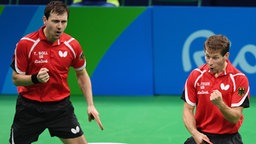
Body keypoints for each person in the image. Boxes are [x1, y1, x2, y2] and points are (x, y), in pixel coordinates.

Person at [9, 1, 102, 143]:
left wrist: (90, 105)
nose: (60, 26)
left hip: (60, 108)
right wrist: (35, 78)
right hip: (30, 108)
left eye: (63, 22)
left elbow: (81, 74)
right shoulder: (26, 44)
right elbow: (16, 78)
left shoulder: (72, 45)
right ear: (45, 20)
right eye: (55, 21)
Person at [181, 34, 250, 144]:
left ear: (226, 56)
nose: (210, 62)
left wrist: (220, 104)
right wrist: (195, 133)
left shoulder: (240, 80)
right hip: (202, 136)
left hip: (228, 138)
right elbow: (188, 109)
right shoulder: (195, 76)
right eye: (207, 56)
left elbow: (235, 117)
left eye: (215, 57)